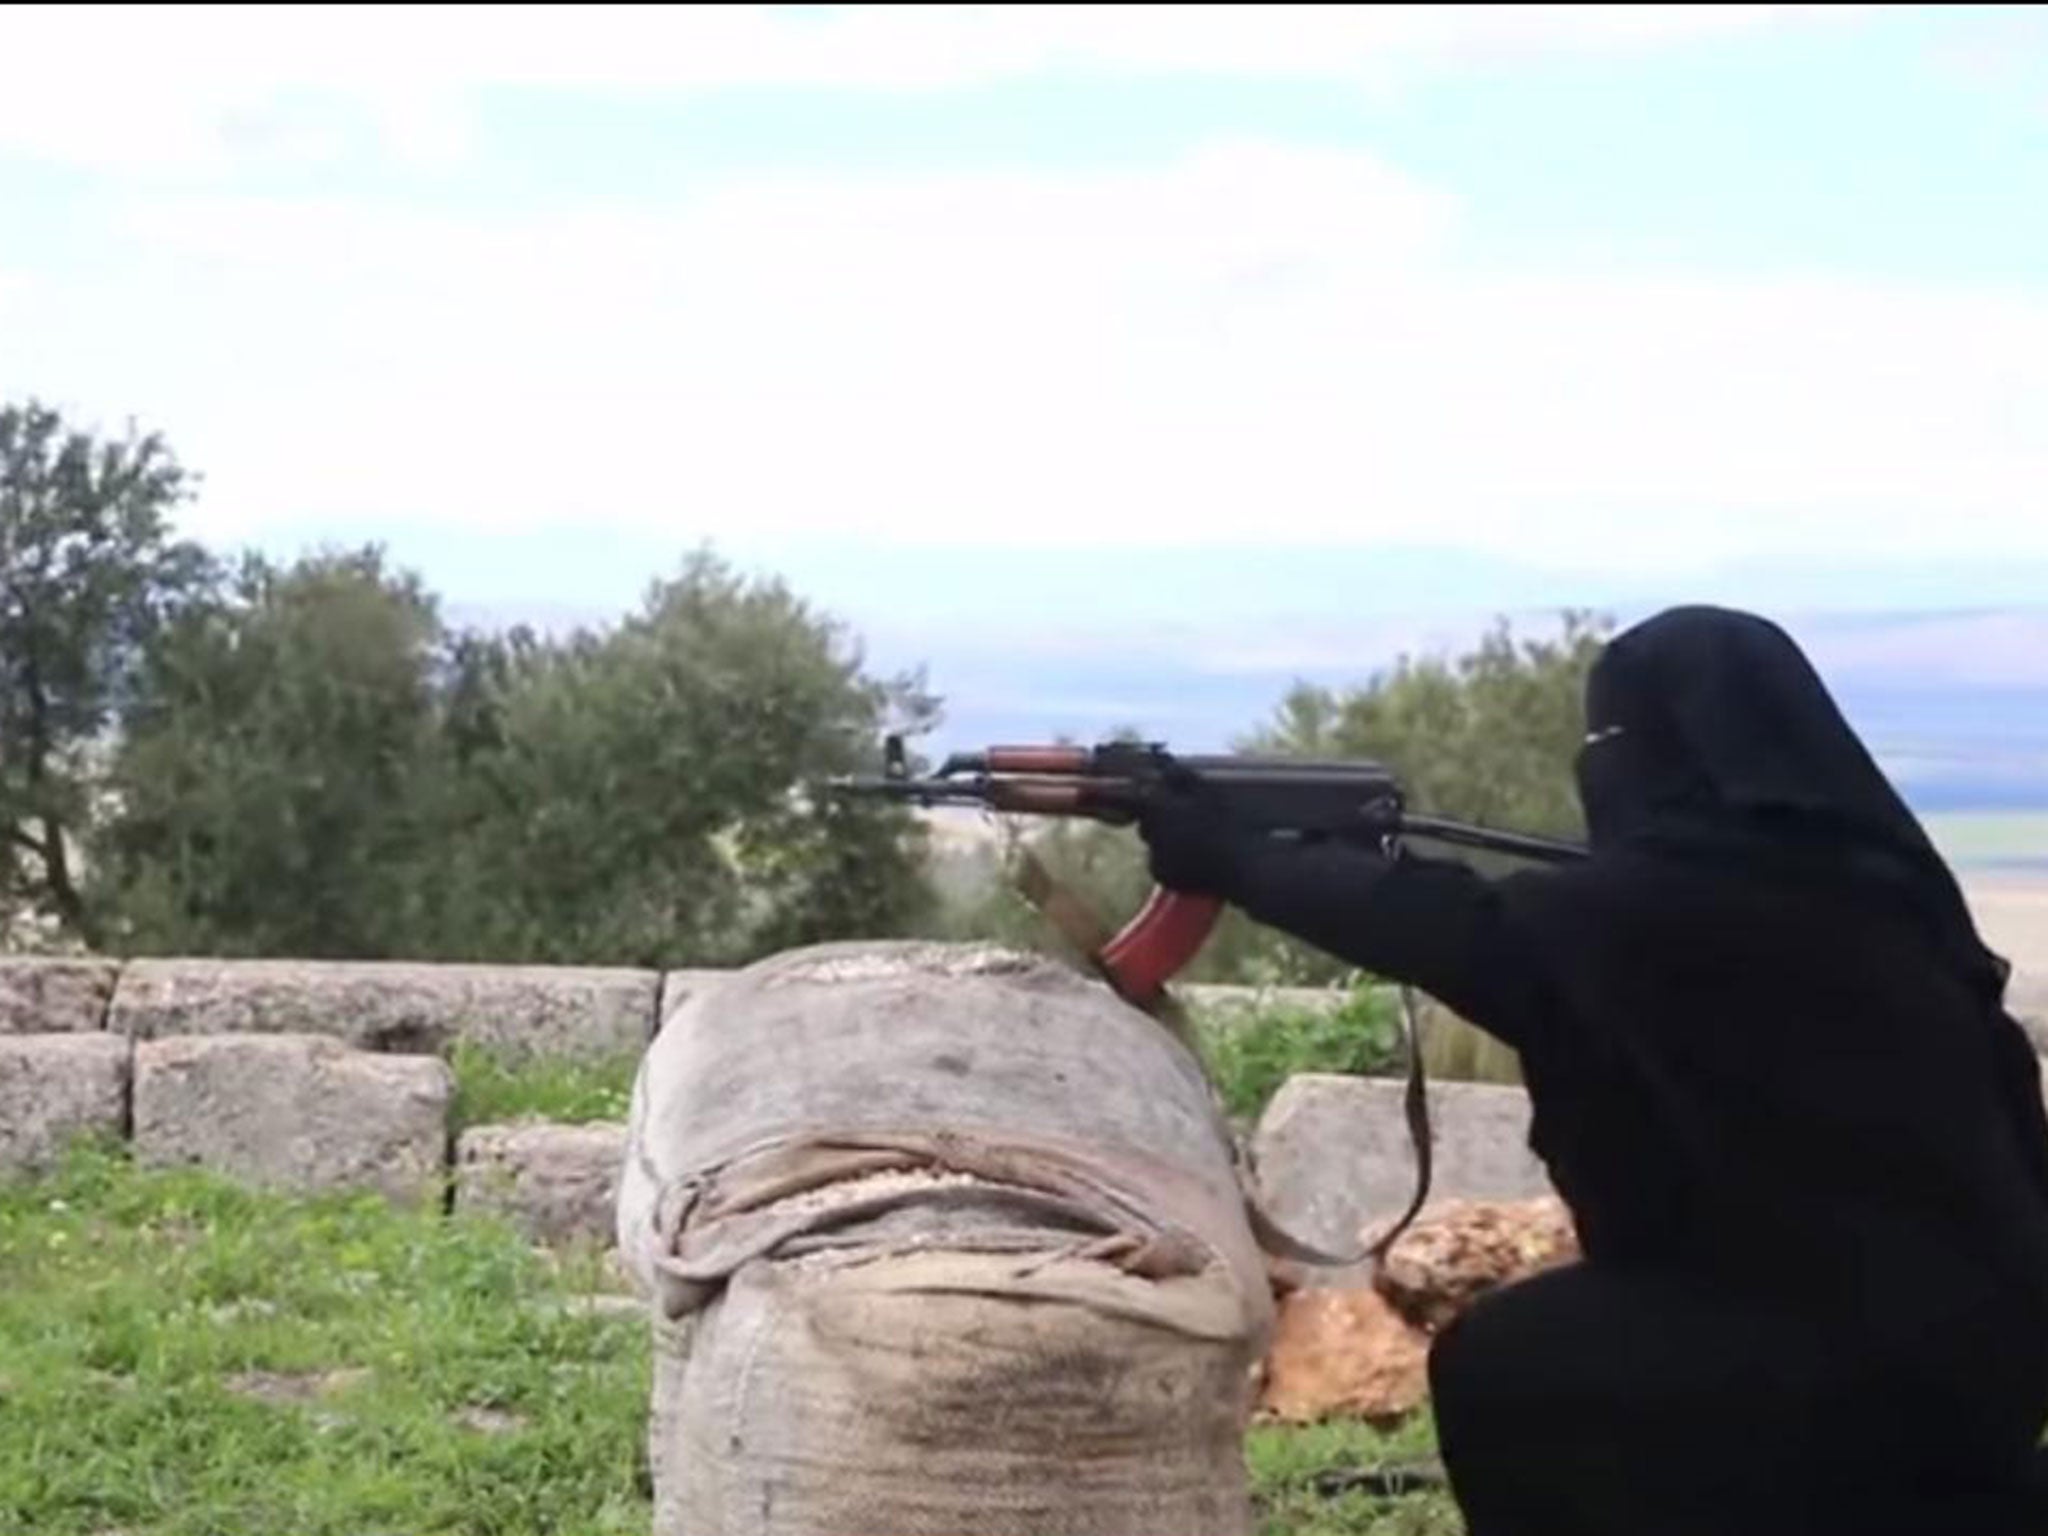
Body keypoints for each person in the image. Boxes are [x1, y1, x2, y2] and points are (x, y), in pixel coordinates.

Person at [1138, 606, 2048, 1535]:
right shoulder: (1902, 909)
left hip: (1845, 1379)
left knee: (1507, 1365)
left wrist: (1237, 861)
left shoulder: (1647, 922)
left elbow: (1453, 929)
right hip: (1989, 1378)